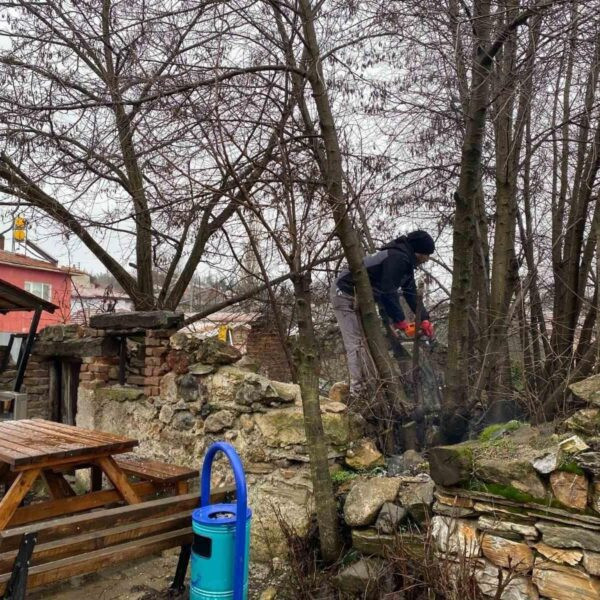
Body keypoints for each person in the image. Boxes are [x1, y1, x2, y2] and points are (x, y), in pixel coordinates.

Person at [330, 230, 435, 394]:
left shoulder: (405, 263)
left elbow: (410, 292)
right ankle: (358, 390)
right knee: (356, 343)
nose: (427, 259)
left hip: (364, 297)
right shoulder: (396, 258)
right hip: (344, 292)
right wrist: (400, 321)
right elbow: (388, 292)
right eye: (426, 254)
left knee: (370, 341)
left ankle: (372, 384)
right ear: (418, 251)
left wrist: (425, 318)